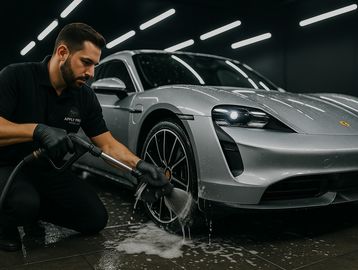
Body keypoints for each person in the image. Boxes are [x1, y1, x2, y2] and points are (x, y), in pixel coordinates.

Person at [0, 22, 172, 252]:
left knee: (94, 218)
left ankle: (32, 212)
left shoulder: (84, 97)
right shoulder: (16, 76)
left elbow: (107, 144)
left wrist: (140, 166)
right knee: (23, 203)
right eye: (86, 62)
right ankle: (8, 221)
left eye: (95, 65)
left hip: (47, 171)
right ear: (62, 52)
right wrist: (37, 129)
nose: (91, 73)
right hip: (7, 167)